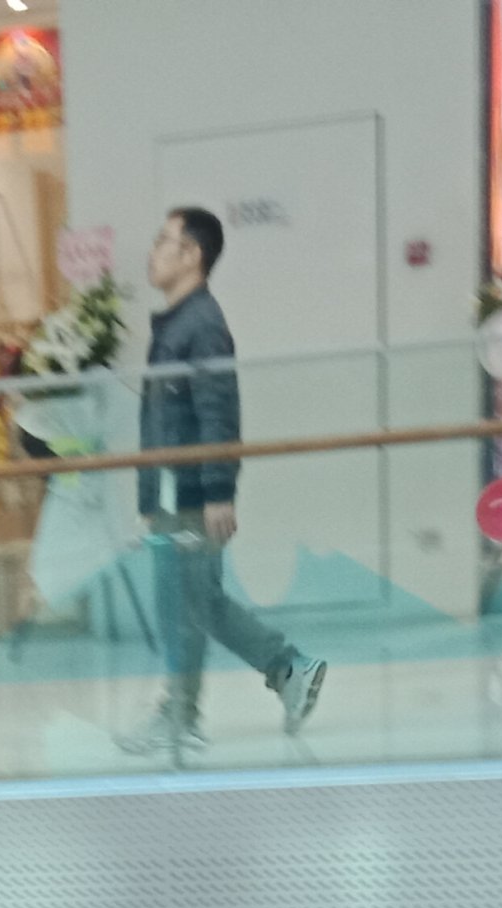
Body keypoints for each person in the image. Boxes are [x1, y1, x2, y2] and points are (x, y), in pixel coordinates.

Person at [118, 204, 328, 756]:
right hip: (173, 488)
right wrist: (148, 496)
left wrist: (218, 491)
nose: (152, 252)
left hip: (189, 490)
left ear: (191, 255)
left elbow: (218, 412)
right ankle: (288, 671)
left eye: (162, 241)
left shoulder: (201, 326)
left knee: (183, 606)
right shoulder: (178, 324)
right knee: (197, 601)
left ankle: (183, 714)